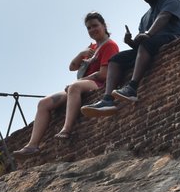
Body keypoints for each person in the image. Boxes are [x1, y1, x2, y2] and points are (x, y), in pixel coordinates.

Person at [81, 0, 180, 116]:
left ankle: (132, 88)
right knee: (115, 59)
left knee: (147, 42)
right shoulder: (145, 18)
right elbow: (141, 49)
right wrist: (131, 43)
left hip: (174, 38)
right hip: (153, 45)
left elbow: (164, 16)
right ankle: (107, 100)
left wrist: (148, 34)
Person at [15, 12, 119, 155]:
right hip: (82, 83)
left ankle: (67, 129)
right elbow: (72, 67)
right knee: (43, 103)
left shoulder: (110, 46)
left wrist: (79, 81)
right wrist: (81, 54)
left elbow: (104, 75)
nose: (92, 30)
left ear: (104, 25)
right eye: (89, 28)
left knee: (74, 86)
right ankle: (32, 145)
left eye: (95, 26)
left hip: (98, 84)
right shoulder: (92, 48)